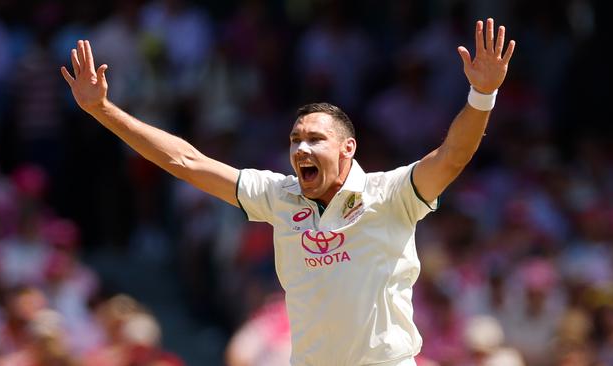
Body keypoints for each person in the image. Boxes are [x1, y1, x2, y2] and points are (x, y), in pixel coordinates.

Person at [61, 18, 514, 366]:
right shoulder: (278, 195)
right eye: (295, 140)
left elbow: (452, 156)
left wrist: (482, 95)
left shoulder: (391, 192)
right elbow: (186, 161)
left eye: (315, 139)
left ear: (347, 148)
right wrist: (103, 109)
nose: (301, 148)